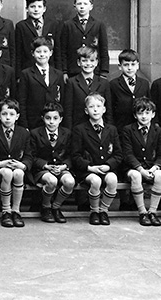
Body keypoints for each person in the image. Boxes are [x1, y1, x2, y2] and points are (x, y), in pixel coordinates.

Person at [71, 93, 122, 225]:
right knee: (95, 180)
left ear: (104, 109)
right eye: (91, 106)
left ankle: (103, 210)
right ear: (86, 111)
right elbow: (75, 155)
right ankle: (94, 211)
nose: (95, 109)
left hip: (106, 168)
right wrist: (89, 167)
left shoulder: (111, 129)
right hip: (88, 170)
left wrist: (109, 165)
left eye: (99, 106)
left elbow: (118, 155)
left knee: (112, 179)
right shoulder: (80, 129)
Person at [121, 97, 161, 227]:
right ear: (135, 115)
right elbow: (128, 154)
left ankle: (152, 212)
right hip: (133, 168)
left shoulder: (158, 130)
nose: (144, 116)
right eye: (140, 113)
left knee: (160, 175)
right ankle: (142, 212)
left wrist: (154, 168)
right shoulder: (128, 130)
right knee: (135, 176)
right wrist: (140, 169)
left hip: (151, 167)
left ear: (153, 114)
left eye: (147, 113)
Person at [0, 98, 33, 228]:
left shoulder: (24, 133)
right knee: (7, 172)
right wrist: (0, 163)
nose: (8, 118)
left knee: (18, 173)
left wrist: (23, 165)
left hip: (18, 167)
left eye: (11, 114)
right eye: (4, 114)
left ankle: (16, 211)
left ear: (17, 116)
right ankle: (6, 211)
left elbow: (29, 155)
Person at [29, 102, 74, 223]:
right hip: (42, 169)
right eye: (48, 118)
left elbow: (72, 154)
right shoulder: (35, 133)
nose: (51, 122)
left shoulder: (67, 133)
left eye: (55, 118)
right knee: (51, 181)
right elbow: (31, 156)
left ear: (61, 119)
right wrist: (45, 165)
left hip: (61, 167)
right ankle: (46, 207)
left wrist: (64, 166)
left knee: (69, 182)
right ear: (43, 118)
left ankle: (56, 207)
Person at [59, 0, 109, 80]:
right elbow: (63, 51)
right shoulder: (68, 25)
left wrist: (104, 72)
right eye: (79, 3)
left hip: (94, 71)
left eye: (85, 4)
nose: (82, 6)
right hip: (73, 71)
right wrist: (64, 71)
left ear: (91, 6)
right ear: (74, 6)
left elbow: (103, 49)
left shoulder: (99, 25)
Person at [17, 36, 64, 129]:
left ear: (51, 53)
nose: (42, 55)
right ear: (32, 53)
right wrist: (24, 125)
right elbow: (22, 101)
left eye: (45, 51)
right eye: (38, 52)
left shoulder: (58, 74)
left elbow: (62, 99)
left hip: (53, 122)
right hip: (33, 122)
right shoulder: (26, 74)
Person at [63, 45, 111, 129]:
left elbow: (109, 111)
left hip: (98, 128)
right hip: (78, 127)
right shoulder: (72, 82)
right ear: (79, 62)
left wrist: (108, 130)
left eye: (92, 60)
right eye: (84, 61)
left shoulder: (104, 83)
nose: (88, 64)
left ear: (96, 62)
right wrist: (69, 131)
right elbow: (68, 111)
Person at [15, 0, 60, 73]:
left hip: (49, 68)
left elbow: (57, 50)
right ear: (27, 9)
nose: (36, 9)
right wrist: (18, 74)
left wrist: (59, 71)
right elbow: (18, 53)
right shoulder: (21, 26)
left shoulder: (53, 24)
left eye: (39, 6)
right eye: (32, 7)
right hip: (28, 69)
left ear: (44, 9)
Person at [110, 49, 150, 133]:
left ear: (138, 65)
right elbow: (111, 109)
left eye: (133, 64)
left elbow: (149, 105)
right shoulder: (113, 84)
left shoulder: (144, 83)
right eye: (126, 65)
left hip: (140, 127)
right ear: (120, 66)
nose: (130, 68)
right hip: (121, 127)